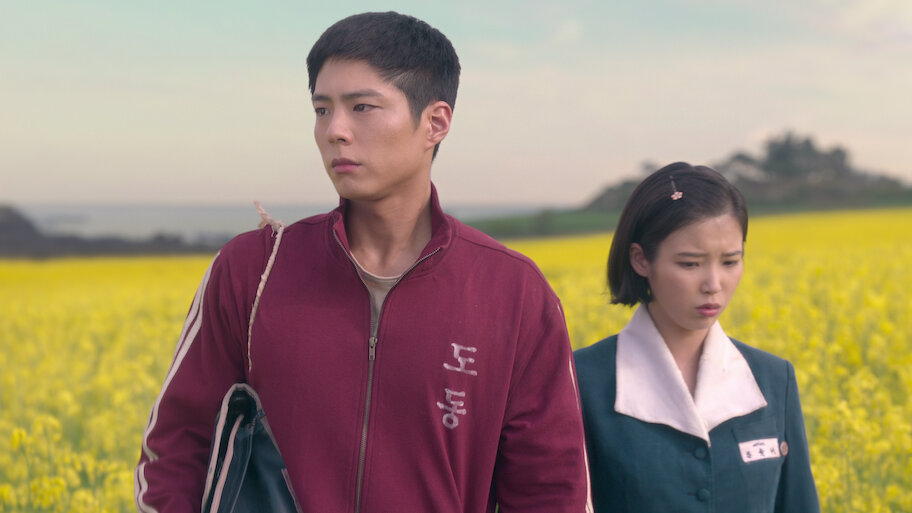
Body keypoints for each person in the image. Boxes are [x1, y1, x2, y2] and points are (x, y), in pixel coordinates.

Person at [135, 11, 591, 513]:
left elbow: (552, 490)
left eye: (362, 107)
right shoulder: (253, 269)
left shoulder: (512, 292)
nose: (335, 130)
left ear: (435, 123)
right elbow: (174, 448)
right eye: (322, 109)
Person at [573, 162, 819, 512]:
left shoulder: (774, 379)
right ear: (641, 260)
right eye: (690, 264)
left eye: (730, 262)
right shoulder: (581, 381)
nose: (713, 284)